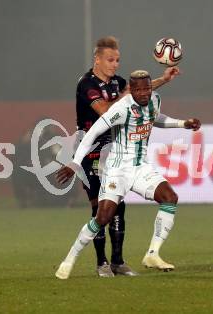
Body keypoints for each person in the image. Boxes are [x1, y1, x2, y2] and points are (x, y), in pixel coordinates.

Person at [55, 70, 200, 279]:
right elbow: (94, 131)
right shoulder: (121, 108)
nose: (143, 93)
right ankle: (69, 259)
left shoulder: (155, 100)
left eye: (147, 89)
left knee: (170, 198)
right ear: (131, 89)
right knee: (102, 218)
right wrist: (75, 162)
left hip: (141, 167)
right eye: (138, 89)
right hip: (118, 170)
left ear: (151, 88)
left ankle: (152, 254)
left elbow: (155, 118)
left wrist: (182, 123)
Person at [75, 36, 181, 277]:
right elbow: (105, 110)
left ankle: (118, 262)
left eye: (118, 60)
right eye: (110, 60)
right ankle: (101, 263)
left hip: (114, 152)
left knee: (119, 208)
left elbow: (138, 91)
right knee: (100, 211)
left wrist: (162, 80)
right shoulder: (86, 85)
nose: (115, 65)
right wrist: (127, 94)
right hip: (91, 151)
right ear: (97, 60)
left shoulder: (118, 83)